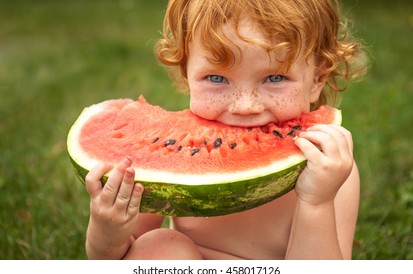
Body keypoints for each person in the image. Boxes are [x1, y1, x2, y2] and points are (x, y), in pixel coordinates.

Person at [84, 0, 367, 260]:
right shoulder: (160, 163)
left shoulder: (330, 172)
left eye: (275, 77)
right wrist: (108, 231)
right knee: (161, 246)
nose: (245, 106)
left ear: (317, 79)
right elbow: (125, 257)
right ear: (186, 73)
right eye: (216, 78)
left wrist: (317, 203)